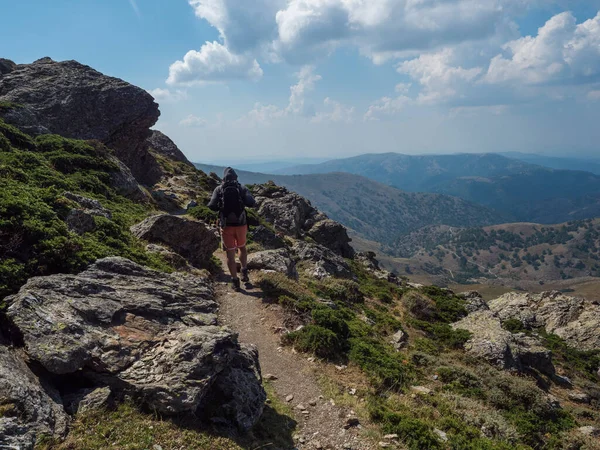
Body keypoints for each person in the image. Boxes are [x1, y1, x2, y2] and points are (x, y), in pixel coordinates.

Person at [207, 167, 256, 290]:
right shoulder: (242, 188)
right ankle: (244, 271)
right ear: (236, 178)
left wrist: (222, 207)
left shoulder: (219, 189)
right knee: (242, 247)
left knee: (230, 254)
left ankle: (235, 281)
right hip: (241, 224)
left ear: (223, 178)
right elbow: (251, 203)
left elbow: (211, 206)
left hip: (226, 225)